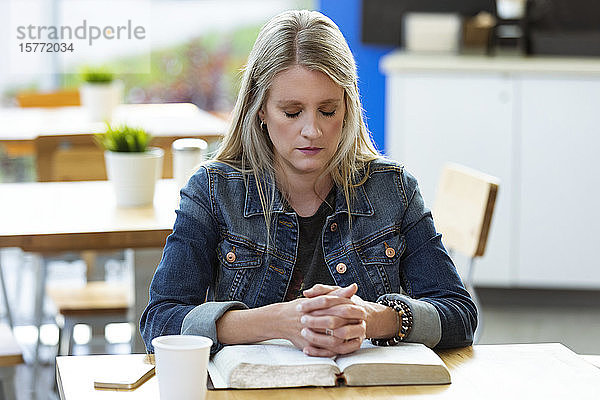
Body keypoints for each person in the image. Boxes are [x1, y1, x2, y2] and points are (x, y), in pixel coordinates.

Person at [140, 9, 477, 357]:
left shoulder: (393, 189)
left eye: (327, 110)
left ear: (347, 107)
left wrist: (373, 319)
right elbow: (160, 322)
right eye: (291, 112)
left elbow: (460, 315)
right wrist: (276, 321)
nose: (312, 131)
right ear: (260, 110)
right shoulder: (212, 191)